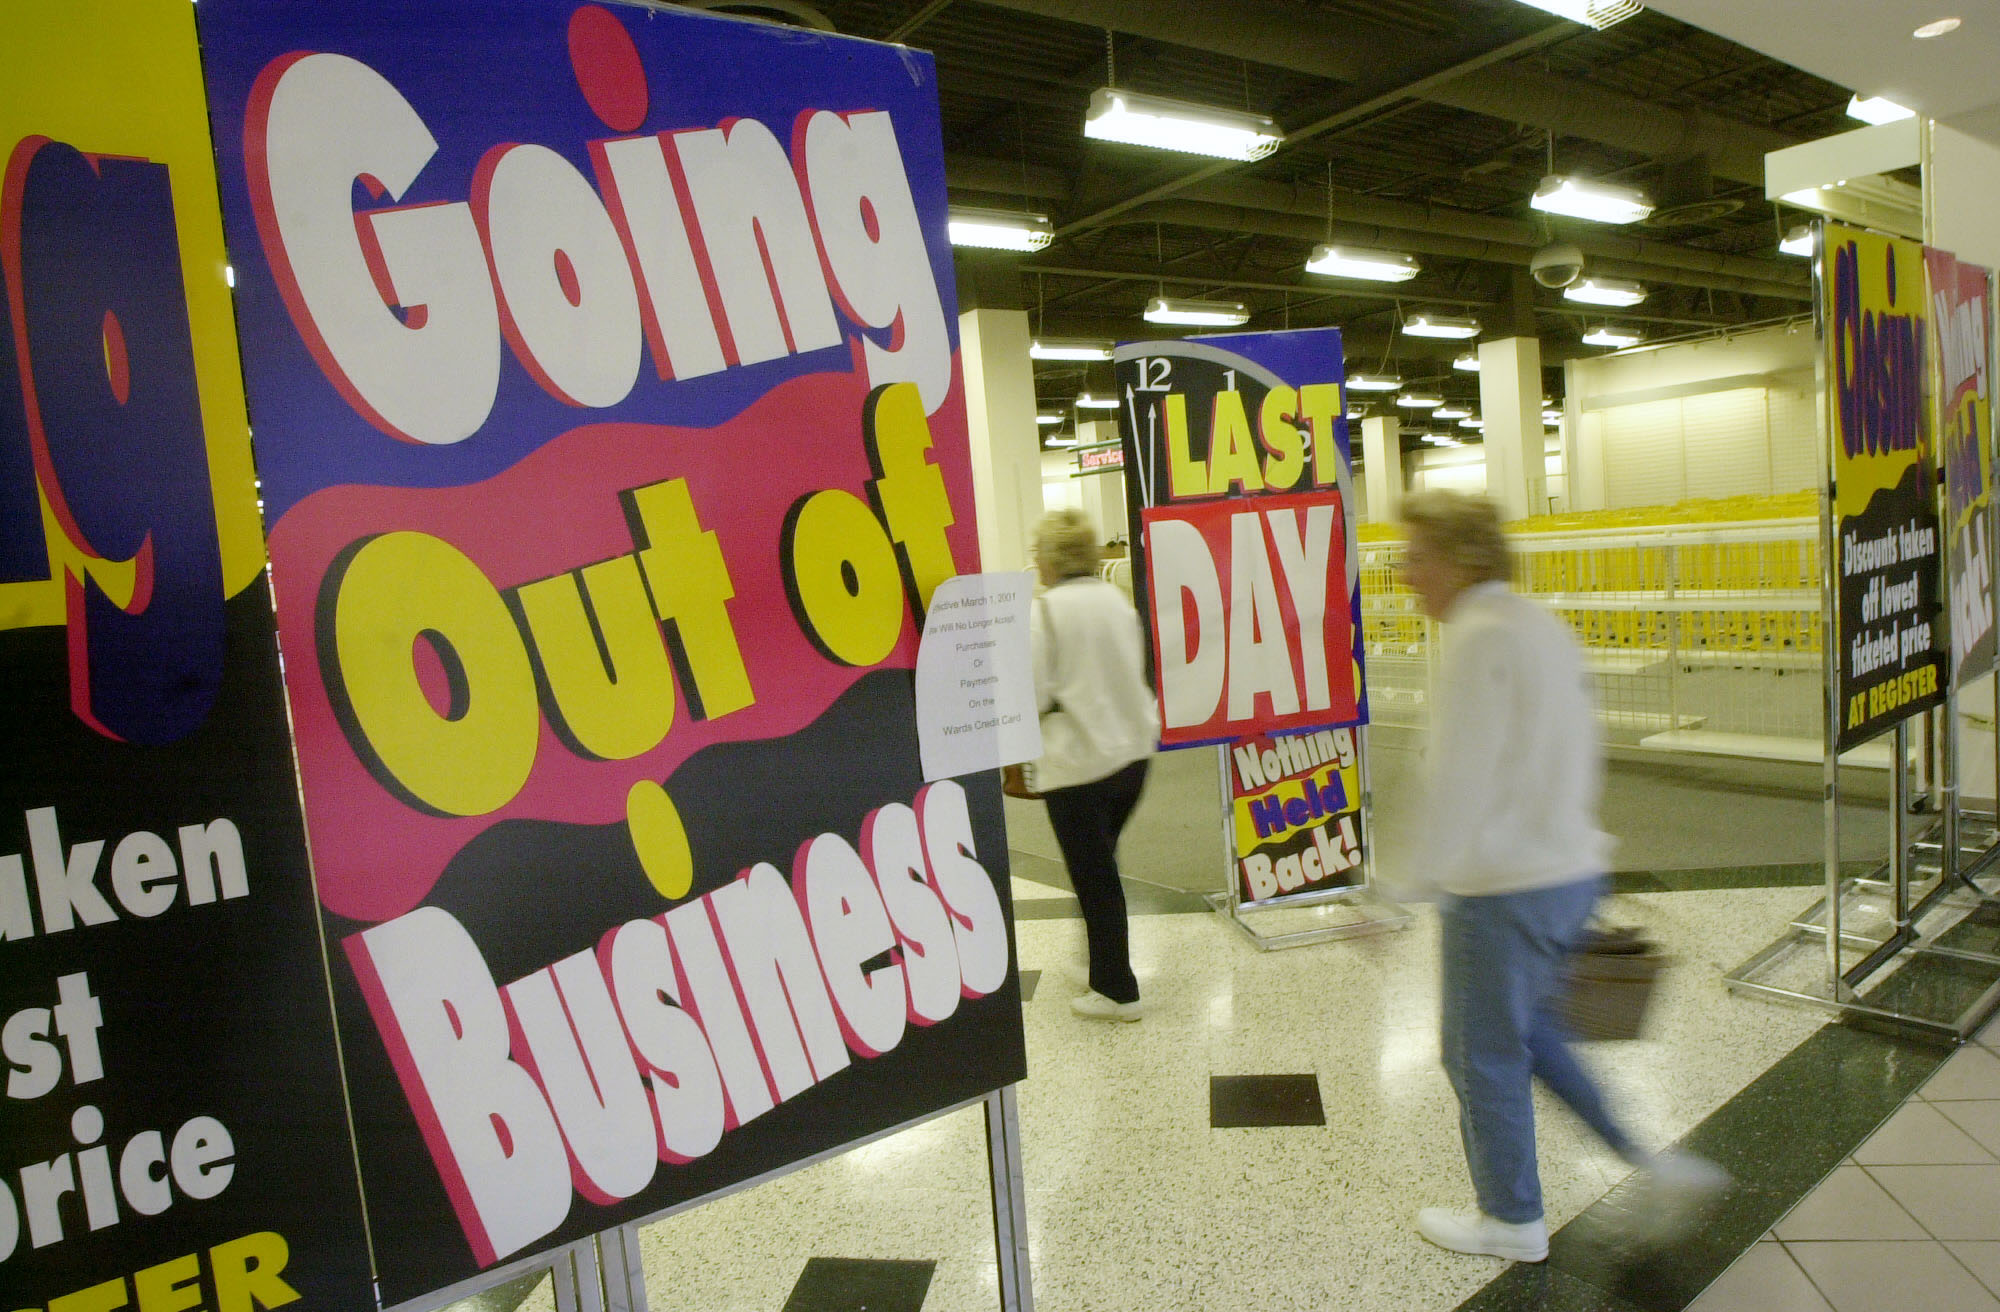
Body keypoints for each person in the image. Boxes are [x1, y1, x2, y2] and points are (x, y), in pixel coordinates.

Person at [1395, 490, 1725, 1262]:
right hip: (1570, 873)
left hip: (1503, 889)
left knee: (1478, 1054)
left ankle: (1511, 1219)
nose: (1406, 576)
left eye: (1416, 558)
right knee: (1534, 1034)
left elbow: (1455, 783)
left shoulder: (1479, 638)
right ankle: (1654, 1162)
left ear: (1461, 557)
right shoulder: (1540, 625)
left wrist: (1400, 887)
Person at [1029, 509, 1159, 1022]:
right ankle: (1099, 956)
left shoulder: (1044, 613)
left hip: (1079, 765)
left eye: (1037, 551)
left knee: (1095, 875)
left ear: (1053, 557)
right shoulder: (1115, 601)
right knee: (1102, 865)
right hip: (1132, 757)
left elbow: (1034, 692)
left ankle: (1116, 989)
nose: (1035, 561)